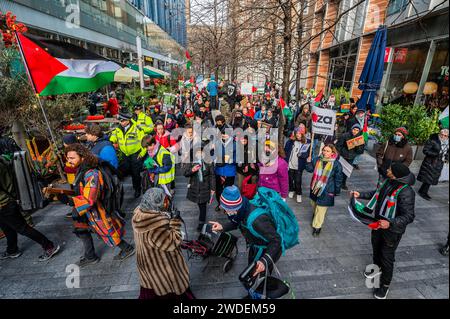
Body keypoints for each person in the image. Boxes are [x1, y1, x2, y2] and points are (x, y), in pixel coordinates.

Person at [350, 162, 415, 299]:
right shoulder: (388, 181)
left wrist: (390, 222)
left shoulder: (406, 191)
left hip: (392, 231)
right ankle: (376, 268)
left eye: (390, 170)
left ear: (396, 175)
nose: (388, 170)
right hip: (378, 224)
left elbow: (409, 216)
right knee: (376, 248)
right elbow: (377, 194)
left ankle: (385, 285)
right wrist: (360, 194)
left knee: (387, 257)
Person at [63, 144, 134, 267]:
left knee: (107, 231)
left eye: (72, 158)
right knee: (82, 230)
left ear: (83, 157)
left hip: (97, 210)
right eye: (68, 158)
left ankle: (127, 248)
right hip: (86, 211)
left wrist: (70, 201)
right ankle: (90, 256)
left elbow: (89, 199)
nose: (69, 161)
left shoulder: (92, 174)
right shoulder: (82, 169)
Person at [132, 188, 194, 300]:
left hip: (147, 264)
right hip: (161, 267)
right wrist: (175, 221)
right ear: (157, 203)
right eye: (164, 200)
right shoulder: (155, 226)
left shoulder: (139, 213)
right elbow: (173, 242)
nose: (167, 202)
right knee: (169, 290)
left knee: (150, 287)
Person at [209, 186, 282, 279]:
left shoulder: (257, 221)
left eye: (224, 207)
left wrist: (264, 261)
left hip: (266, 250)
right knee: (252, 272)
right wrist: (223, 227)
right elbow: (237, 223)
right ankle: (253, 291)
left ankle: (259, 290)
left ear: (233, 208)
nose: (221, 208)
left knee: (259, 277)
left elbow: (276, 240)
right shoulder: (242, 207)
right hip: (255, 244)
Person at [0, 150, 61, 261]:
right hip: (7, 201)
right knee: (7, 228)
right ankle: (12, 250)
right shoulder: (3, 159)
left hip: (5, 203)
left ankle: (49, 246)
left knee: (22, 228)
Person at [306, 144, 343, 236]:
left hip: (327, 190)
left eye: (327, 151)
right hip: (315, 188)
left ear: (332, 153)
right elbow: (309, 170)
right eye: (324, 150)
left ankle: (317, 227)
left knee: (321, 209)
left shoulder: (336, 164)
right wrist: (308, 162)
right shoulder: (317, 159)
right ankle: (316, 216)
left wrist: (336, 191)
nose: (325, 152)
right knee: (314, 205)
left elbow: (338, 179)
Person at [110, 111, 146, 198]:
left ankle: (137, 188)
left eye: (123, 121)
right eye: (120, 121)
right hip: (125, 154)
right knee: (124, 170)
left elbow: (144, 142)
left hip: (135, 154)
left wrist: (142, 154)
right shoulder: (117, 129)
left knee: (135, 172)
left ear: (128, 120)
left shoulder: (137, 128)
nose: (121, 122)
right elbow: (113, 136)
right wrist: (112, 141)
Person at [183, 147, 216, 232]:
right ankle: (202, 219)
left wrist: (213, 188)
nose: (200, 154)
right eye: (198, 153)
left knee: (203, 206)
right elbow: (185, 173)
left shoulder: (209, 161)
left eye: (201, 153)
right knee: (199, 203)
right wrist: (192, 170)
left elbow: (212, 175)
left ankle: (201, 223)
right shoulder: (191, 161)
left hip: (205, 187)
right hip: (195, 186)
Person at [417, 128, 449, 200]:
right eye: (442, 135)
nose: (443, 137)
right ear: (439, 134)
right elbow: (425, 150)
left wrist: (447, 157)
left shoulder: (448, 143)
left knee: (431, 178)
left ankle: (423, 191)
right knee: (428, 178)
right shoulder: (433, 140)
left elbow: (447, 152)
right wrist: (436, 154)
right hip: (430, 162)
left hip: (439, 163)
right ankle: (423, 192)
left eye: (446, 136)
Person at [285, 125, 311, 203]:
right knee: (290, 179)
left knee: (298, 180)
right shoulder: (291, 141)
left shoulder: (307, 142)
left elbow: (308, 153)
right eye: (297, 133)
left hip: (299, 165)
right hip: (290, 164)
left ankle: (299, 193)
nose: (298, 135)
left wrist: (302, 155)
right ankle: (291, 190)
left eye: (299, 133)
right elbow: (286, 150)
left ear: (302, 134)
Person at [336, 123, 365, 190]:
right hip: (343, 156)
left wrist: (357, 145)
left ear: (359, 131)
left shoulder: (360, 139)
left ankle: (343, 183)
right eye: (354, 129)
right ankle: (337, 182)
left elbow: (360, 151)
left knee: (346, 171)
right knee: (339, 170)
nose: (355, 131)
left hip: (351, 157)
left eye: (357, 130)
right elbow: (338, 146)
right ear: (351, 129)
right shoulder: (345, 135)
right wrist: (340, 153)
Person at [213, 129, 236, 211]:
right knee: (218, 189)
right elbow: (214, 155)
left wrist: (231, 160)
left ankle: (228, 205)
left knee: (228, 189)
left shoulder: (235, 144)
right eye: (222, 135)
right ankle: (219, 204)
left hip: (230, 170)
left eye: (225, 135)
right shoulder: (217, 143)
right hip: (219, 170)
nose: (223, 136)